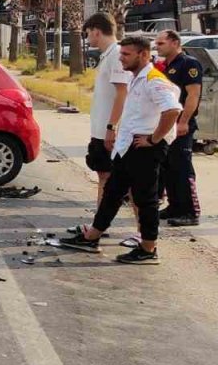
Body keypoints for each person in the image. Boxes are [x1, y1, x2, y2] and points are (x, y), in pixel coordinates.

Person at [60, 33, 182, 264]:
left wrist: (154, 139)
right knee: (113, 193)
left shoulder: (154, 80)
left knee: (145, 199)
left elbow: (172, 111)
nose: (121, 59)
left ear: (143, 55)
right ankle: (92, 236)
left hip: (144, 149)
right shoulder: (137, 77)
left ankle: (148, 249)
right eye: (121, 54)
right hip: (128, 148)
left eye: (126, 54)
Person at [80, 14, 132, 215]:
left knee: (111, 177)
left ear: (96, 31)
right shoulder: (108, 55)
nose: (88, 38)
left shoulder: (117, 55)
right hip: (101, 128)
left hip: (109, 129)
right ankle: (99, 221)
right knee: (104, 174)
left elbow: (123, 92)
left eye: (88, 34)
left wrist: (112, 126)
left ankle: (101, 222)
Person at [154, 30, 203, 226]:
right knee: (168, 167)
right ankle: (175, 206)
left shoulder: (188, 64)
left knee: (182, 167)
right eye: (157, 44)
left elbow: (193, 95)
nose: (157, 47)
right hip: (166, 125)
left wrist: (183, 121)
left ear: (175, 42)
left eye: (161, 43)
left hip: (181, 124)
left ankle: (190, 212)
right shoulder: (165, 66)